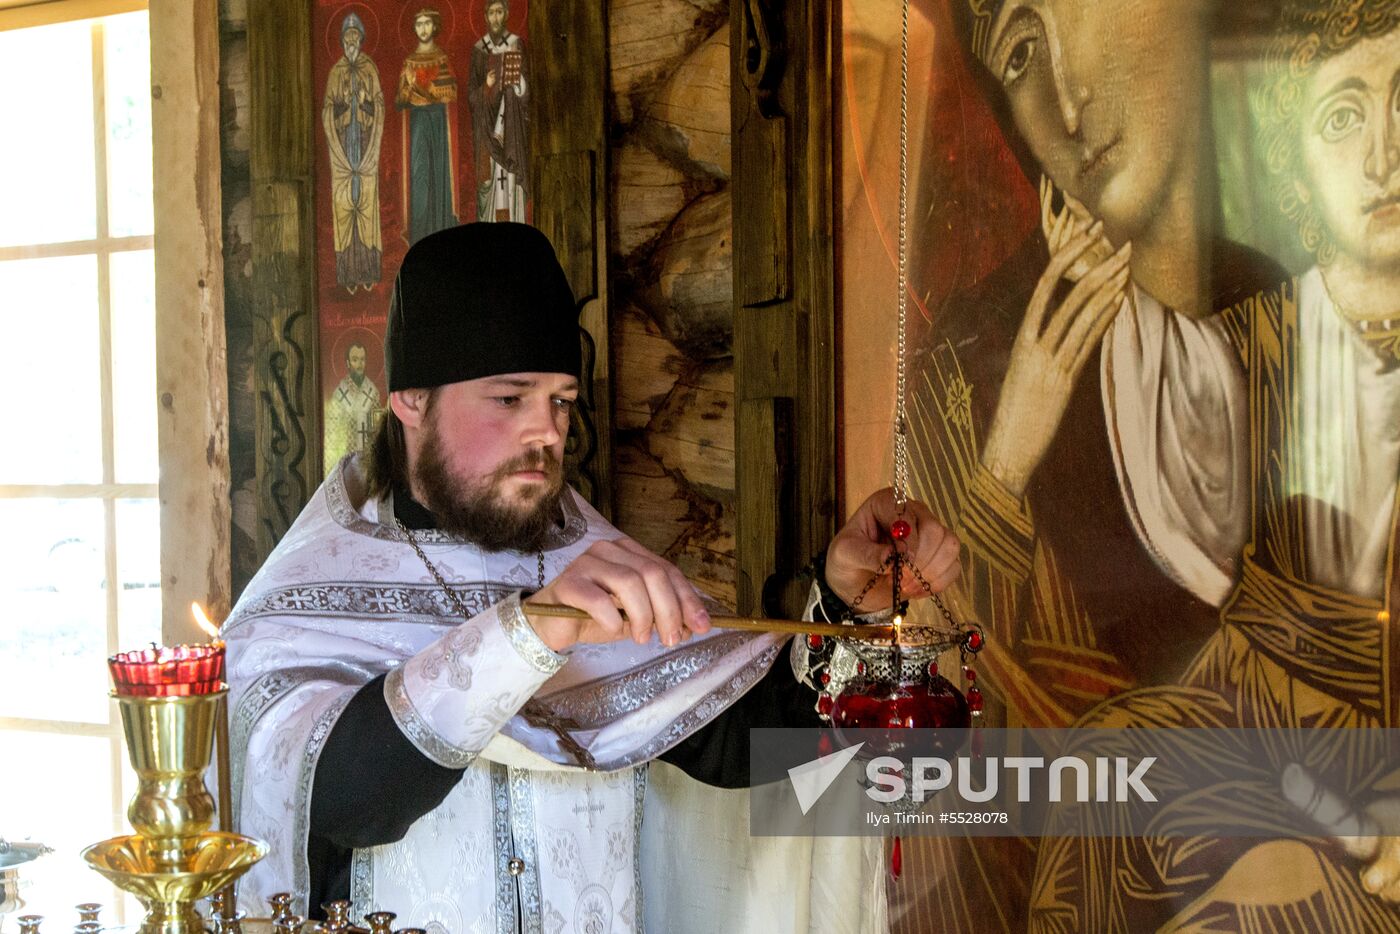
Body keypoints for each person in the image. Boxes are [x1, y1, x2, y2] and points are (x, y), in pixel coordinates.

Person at [226, 223, 962, 931]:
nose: (545, 431)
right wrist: (527, 634)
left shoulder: (584, 555)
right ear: (411, 400)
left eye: (560, 402)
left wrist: (840, 595)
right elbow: (342, 801)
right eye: (510, 399)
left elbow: (749, 745)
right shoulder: (309, 593)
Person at [1027, 2, 1400, 929]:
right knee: (1100, 779)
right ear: (1297, 164)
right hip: (1259, 710)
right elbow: (1167, 378)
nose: (1384, 156)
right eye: (1343, 117)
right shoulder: (1248, 345)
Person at [322, 12, 385, 292]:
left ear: (360, 39)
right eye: (347, 37)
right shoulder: (335, 72)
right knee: (345, 202)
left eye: (355, 36)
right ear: (341, 41)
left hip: (366, 142)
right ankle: (349, 274)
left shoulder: (369, 69)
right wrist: (343, 108)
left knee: (367, 203)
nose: (351, 41)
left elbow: (380, 105)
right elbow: (327, 109)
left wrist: (366, 105)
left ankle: (369, 271)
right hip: (345, 145)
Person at [396, 8, 458, 244]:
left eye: (427, 23)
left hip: (438, 123)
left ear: (435, 27)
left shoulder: (442, 59)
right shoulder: (409, 63)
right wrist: (407, 89)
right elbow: (400, 101)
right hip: (418, 123)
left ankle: (440, 232)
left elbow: (447, 94)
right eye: (419, 24)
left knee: (438, 172)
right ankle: (420, 235)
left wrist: (419, 90)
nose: (423, 28)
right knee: (419, 174)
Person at [468, 0, 528, 223]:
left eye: (499, 11)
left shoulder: (516, 44)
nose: (495, 17)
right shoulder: (479, 50)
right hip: (487, 133)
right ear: (485, 17)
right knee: (490, 184)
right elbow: (471, 97)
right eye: (491, 12)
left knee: (510, 185)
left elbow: (527, 92)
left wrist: (517, 80)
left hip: (511, 131)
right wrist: (487, 85)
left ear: (507, 14)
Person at [323, 342, 383, 473]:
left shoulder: (372, 392)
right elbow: (333, 432)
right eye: (355, 360)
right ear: (348, 363)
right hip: (345, 459)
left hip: (367, 460)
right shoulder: (340, 393)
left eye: (362, 359)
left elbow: (378, 427)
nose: (360, 364)